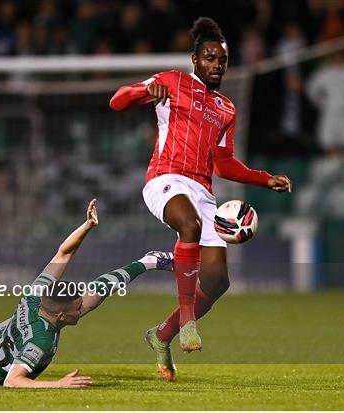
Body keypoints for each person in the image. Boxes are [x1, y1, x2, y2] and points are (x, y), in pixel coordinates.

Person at [109, 17, 291, 380]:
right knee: (188, 225)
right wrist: (143, 93)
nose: (216, 65)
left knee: (218, 281)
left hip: (203, 191)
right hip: (165, 178)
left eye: (222, 60)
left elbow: (223, 163)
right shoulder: (171, 81)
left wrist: (262, 179)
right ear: (195, 59)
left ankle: (161, 336)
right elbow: (117, 101)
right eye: (209, 58)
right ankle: (188, 321)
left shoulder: (226, 108)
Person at [0, 199, 173, 388]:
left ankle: (148, 262)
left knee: (93, 291)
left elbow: (63, 254)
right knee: (11, 345)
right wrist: (59, 384)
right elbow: (12, 381)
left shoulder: (35, 294)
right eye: (76, 309)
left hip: (4, 335)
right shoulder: (41, 341)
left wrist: (87, 226)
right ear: (58, 315)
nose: (82, 308)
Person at [306, 51, 344, 158]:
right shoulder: (323, 72)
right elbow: (312, 89)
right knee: (328, 143)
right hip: (329, 113)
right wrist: (322, 103)